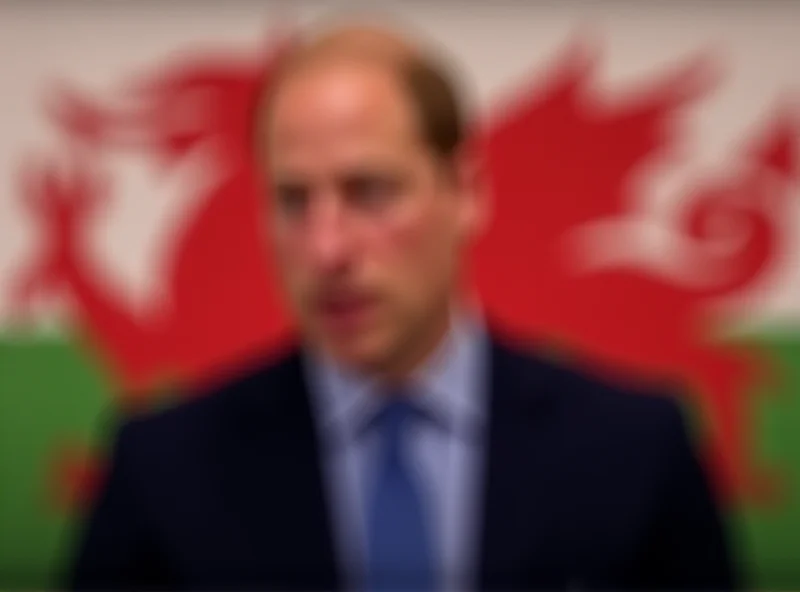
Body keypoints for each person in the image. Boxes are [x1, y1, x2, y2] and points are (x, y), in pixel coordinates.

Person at [69, 21, 738, 592]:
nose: (327, 248)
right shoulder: (165, 470)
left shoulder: (633, 452)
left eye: (370, 191)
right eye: (294, 201)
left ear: (468, 190)